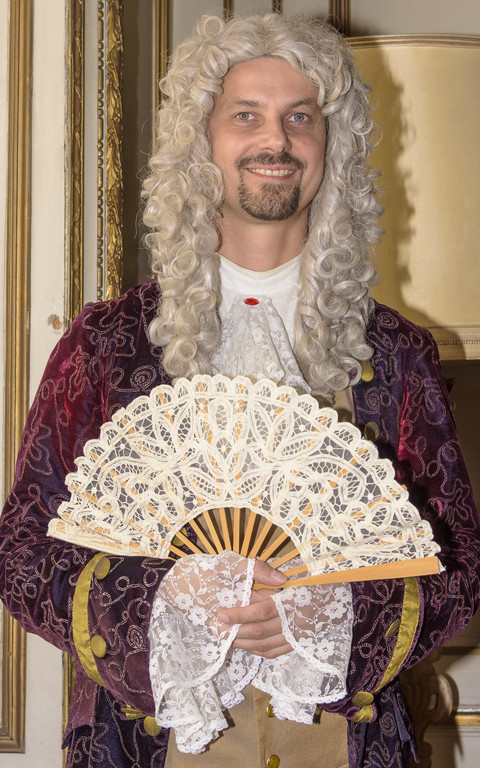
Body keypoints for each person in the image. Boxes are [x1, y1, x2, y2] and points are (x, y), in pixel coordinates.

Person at [1, 12, 479, 768]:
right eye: (245, 116)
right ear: (201, 141)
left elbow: (457, 564)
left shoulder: (397, 355)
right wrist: (169, 600)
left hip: (344, 744)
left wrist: (332, 614)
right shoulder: (106, 345)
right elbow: (25, 554)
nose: (276, 141)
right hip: (152, 745)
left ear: (333, 145)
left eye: (301, 117)